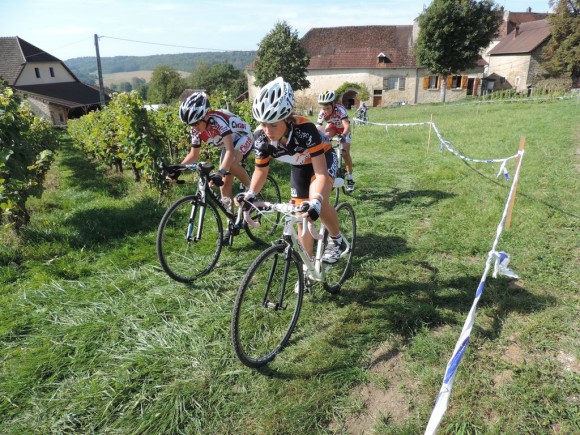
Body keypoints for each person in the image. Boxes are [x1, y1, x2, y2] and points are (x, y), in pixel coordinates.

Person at [236, 77, 348, 264]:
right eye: (263, 124)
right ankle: (308, 266)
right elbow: (260, 171)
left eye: (273, 124)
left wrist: (316, 201)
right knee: (300, 215)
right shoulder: (260, 137)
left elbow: (320, 173)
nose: (267, 130)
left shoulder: (306, 129)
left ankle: (337, 241)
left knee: (316, 202)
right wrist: (251, 194)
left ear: (288, 119)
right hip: (299, 165)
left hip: (324, 159)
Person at [173, 92, 253, 212]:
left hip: (243, 137)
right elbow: (194, 154)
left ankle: (252, 191)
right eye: (191, 125)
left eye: (196, 123)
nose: (194, 127)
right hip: (228, 146)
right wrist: (177, 169)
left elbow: (230, 151)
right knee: (224, 187)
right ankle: (231, 225)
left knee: (230, 165)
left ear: (206, 116)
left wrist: (220, 173)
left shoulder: (218, 121)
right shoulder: (196, 129)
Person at [316, 90, 355, 192]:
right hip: (333, 127)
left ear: (333, 104)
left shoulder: (340, 109)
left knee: (345, 153)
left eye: (328, 108)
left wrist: (342, 136)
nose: (326, 111)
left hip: (343, 129)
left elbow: (347, 126)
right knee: (324, 137)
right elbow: (318, 127)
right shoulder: (322, 112)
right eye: (324, 108)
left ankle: (350, 178)